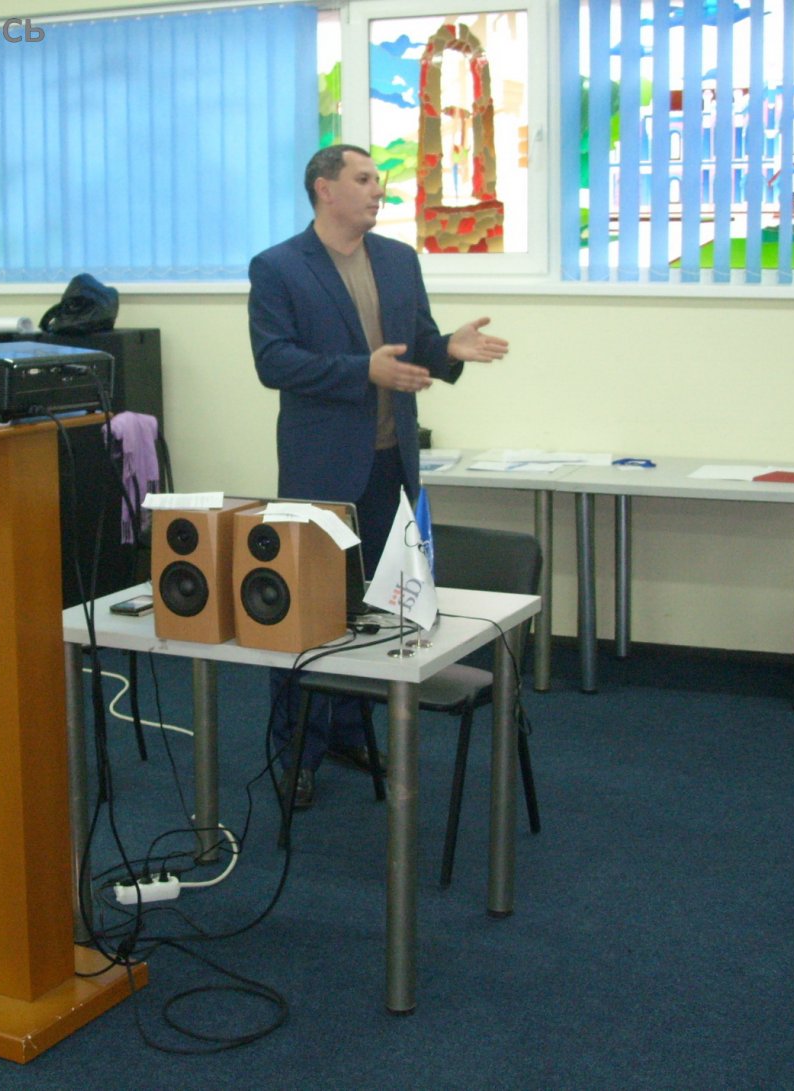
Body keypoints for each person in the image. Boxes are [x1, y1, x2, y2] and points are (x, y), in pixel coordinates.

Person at [247, 143, 509, 808]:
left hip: (391, 464)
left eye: (378, 180)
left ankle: (348, 730)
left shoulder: (398, 260)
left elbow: (416, 343)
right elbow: (275, 362)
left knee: (381, 610)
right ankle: (296, 751)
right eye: (364, 179)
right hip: (321, 468)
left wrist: (447, 350)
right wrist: (361, 370)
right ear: (325, 188)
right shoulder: (279, 267)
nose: (378, 190)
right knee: (309, 612)